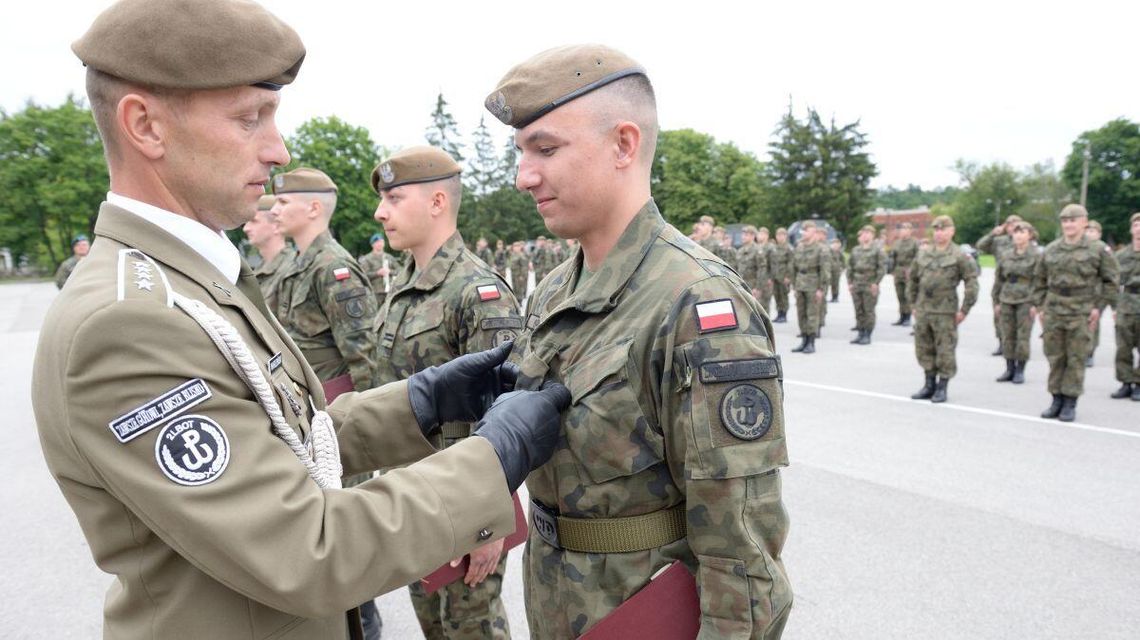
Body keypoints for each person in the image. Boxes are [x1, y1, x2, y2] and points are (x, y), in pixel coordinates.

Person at [31, 1, 570, 638]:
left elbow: (282, 442)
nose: (276, 149)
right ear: (145, 126)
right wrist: (492, 457)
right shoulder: (127, 323)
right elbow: (305, 549)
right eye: (249, 118)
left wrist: (419, 404)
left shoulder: (188, 282)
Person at [484, 44, 792, 637]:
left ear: (624, 145)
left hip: (640, 608)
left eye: (545, 149)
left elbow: (741, 550)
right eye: (521, 153)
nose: (524, 176)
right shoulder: (554, 290)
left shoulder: (697, 303)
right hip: (556, 598)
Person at [371, 146, 522, 639]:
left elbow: (504, 415)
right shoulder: (403, 288)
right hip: (412, 499)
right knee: (435, 629)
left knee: (470, 631)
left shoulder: (478, 292)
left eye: (394, 198)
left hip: (459, 509)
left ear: (437, 202)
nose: (380, 212)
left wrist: (486, 522)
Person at [271, 168, 378, 392]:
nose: (273, 211)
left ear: (314, 208)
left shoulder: (333, 267)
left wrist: (363, 415)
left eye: (282, 202)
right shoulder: (297, 262)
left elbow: (362, 354)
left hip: (332, 399)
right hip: (305, 392)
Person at [1033, 204, 1119, 421]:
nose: (1069, 224)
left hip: (1081, 310)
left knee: (1076, 358)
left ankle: (1070, 401)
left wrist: (1098, 308)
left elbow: (1111, 282)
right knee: (1055, 356)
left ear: (1084, 222)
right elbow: (1039, 281)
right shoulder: (1051, 249)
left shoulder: (1098, 249)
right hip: (1054, 309)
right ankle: (1056, 399)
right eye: (1065, 220)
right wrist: (1041, 307)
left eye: (1073, 220)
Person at [908, 215, 979, 403]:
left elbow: (971, 283)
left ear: (951, 231)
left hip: (945, 311)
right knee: (924, 348)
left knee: (945, 350)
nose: (939, 233)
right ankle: (929, 384)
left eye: (943, 229)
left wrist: (964, 309)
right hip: (924, 309)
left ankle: (942, 386)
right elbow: (912, 279)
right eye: (936, 229)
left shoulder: (959, 255)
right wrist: (913, 304)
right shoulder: (923, 253)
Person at [992, 221, 1040, 384]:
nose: (1018, 235)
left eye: (1023, 232)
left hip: (1026, 299)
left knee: (1022, 336)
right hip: (1006, 297)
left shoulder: (1037, 255)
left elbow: (1040, 281)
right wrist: (996, 301)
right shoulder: (1006, 254)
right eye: (1016, 232)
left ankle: (1020, 370)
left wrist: (1036, 304)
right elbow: (998, 279)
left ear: (1030, 235)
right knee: (1008, 335)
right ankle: (1009, 368)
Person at [977, 214, 1024, 355]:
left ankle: (1017, 345)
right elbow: (981, 245)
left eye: (1017, 225)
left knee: (1020, 317)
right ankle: (1002, 343)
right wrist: (993, 233)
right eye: (1010, 225)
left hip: (1021, 283)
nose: (1013, 228)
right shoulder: (999, 241)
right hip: (1002, 282)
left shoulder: (1025, 239)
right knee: (999, 314)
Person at [243, 194, 295, 317]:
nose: (246, 228)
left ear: (276, 225)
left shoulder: (292, 270)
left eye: (254, 221)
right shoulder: (256, 272)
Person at [1109, 212, 1140, 400]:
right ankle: (1125, 382)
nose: (1139, 229)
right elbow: (1112, 282)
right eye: (1136, 225)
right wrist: (1114, 306)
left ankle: (1139, 384)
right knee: (1123, 347)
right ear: (1131, 229)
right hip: (1126, 305)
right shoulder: (1120, 256)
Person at [790, 220, 830, 353]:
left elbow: (824, 271)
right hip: (800, 284)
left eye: (807, 230)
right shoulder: (799, 247)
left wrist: (821, 289)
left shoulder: (821, 249)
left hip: (813, 285)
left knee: (812, 314)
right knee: (801, 314)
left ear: (813, 232)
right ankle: (804, 340)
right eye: (803, 230)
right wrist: (794, 286)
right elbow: (793, 267)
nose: (804, 233)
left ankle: (811, 343)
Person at [847, 225, 888, 345]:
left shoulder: (877, 250)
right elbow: (850, 267)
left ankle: (867, 334)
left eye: (868, 233)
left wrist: (876, 282)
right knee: (858, 309)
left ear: (872, 235)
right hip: (857, 283)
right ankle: (860, 332)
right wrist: (850, 282)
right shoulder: (856, 250)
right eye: (864, 233)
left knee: (868, 310)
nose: (865, 235)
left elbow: (882, 268)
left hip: (870, 284)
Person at [359, 232, 402, 311]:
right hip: (375, 293)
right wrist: (377, 273)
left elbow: (400, 270)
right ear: (372, 245)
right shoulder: (367, 259)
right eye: (377, 242)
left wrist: (390, 271)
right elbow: (363, 276)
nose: (380, 244)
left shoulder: (389, 257)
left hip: (390, 292)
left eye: (381, 242)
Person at [1085, 219, 1108, 367]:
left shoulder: (1103, 249)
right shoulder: (1080, 247)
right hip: (1082, 292)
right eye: (1087, 230)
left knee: (1093, 323)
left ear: (1099, 234)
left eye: (1092, 231)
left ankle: (1090, 352)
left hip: (1098, 293)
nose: (1089, 233)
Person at [889, 222, 918, 326]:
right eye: (902, 229)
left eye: (906, 229)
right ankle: (902, 316)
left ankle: (908, 317)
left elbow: (918, 257)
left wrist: (913, 270)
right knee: (900, 295)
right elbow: (892, 257)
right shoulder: (897, 243)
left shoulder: (914, 243)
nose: (904, 231)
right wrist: (892, 270)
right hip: (898, 271)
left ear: (911, 231)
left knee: (908, 295)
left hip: (909, 271)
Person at [770, 227, 794, 322]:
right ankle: (779, 313)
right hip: (776, 276)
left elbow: (791, 263)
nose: (779, 237)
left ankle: (784, 314)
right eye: (778, 235)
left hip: (784, 276)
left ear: (785, 236)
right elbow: (772, 263)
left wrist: (788, 276)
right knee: (777, 296)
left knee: (783, 296)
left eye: (781, 235)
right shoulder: (775, 248)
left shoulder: (788, 248)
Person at [735, 224, 763, 299]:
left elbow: (761, 270)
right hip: (741, 286)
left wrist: (757, 288)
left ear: (753, 236)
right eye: (743, 234)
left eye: (746, 235)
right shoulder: (740, 251)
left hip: (752, 286)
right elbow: (736, 268)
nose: (743, 237)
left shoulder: (757, 250)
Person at [828, 237, 844, 303]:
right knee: (828, 283)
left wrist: (842, 268)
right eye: (834, 243)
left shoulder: (840, 253)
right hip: (829, 270)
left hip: (837, 270)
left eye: (837, 244)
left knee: (835, 284)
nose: (835, 245)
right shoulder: (829, 251)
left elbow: (843, 261)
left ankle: (835, 297)